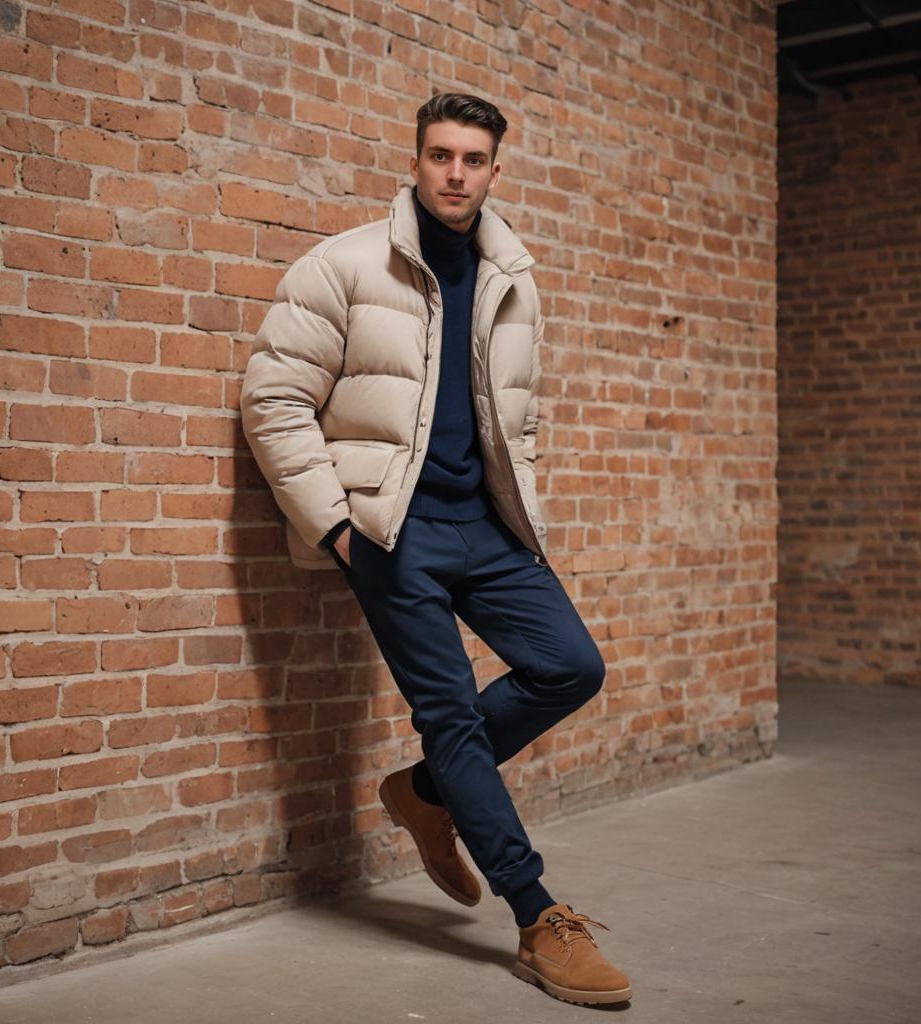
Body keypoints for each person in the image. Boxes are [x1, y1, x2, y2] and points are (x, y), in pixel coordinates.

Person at [240, 91, 632, 1007]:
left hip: (486, 529)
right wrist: (338, 525)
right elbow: (272, 398)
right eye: (440, 156)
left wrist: (519, 496)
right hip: (392, 532)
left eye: (473, 159)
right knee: (451, 713)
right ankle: (539, 919)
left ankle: (424, 793)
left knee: (570, 666)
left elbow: (519, 415)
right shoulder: (343, 264)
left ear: (496, 170)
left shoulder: (513, 277)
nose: (455, 173)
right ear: (416, 162)